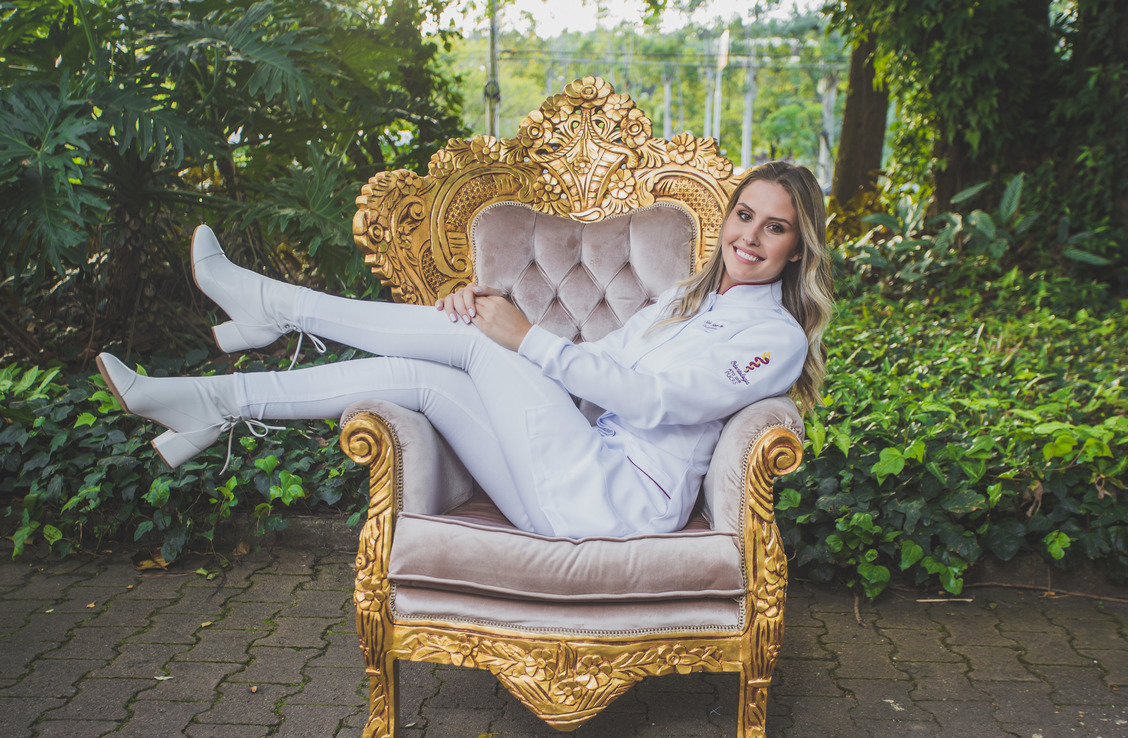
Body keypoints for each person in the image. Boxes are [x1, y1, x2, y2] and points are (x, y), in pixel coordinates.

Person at [97, 160, 834, 539]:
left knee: (479, 342)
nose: (749, 236)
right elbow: (602, 369)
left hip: (617, 502)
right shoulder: (683, 300)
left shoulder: (774, 338)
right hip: (572, 477)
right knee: (424, 376)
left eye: (774, 227)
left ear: (798, 248)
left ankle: (276, 308)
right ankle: (214, 403)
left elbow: (655, 400)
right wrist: (488, 322)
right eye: (744, 214)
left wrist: (516, 337)